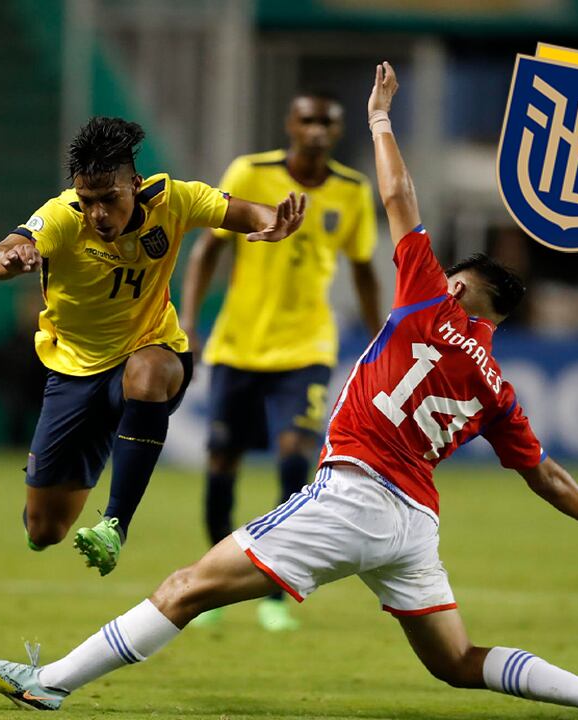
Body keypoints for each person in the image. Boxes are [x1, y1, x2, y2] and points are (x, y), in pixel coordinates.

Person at [0, 63, 578, 720]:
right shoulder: (497, 386)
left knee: (185, 589)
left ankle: (47, 684)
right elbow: (545, 473)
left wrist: (380, 120)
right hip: (415, 526)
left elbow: (396, 196)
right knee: (457, 662)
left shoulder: (424, 302)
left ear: (461, 289)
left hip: (352, 495)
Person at [0, 116, 306, 576]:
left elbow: (242, 211)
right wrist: (11, 259)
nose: (98, 213)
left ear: (134, 183)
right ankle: (54, 502)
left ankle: (114, 524)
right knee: (44, 529)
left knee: (149, 372)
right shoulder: (60, 216)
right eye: (88, 201)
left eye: (109, 199)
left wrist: (274, 221)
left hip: (152, 350)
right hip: (75, 371)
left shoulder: (171, 199)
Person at [179, 91, 382, 632]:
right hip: (239, 344)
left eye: (327, 121)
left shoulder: (353, 191)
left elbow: (363, 267)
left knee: (296, 455)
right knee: (222, 458)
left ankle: (273, 589)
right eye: (308, 118)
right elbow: (209, 250)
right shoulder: (250, 172)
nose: (317, 128)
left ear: (337, 131)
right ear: (291, 124)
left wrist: (381, 336)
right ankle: (214, 586)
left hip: (307, 346)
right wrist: (191, 322)